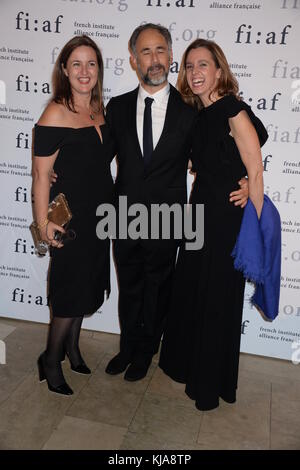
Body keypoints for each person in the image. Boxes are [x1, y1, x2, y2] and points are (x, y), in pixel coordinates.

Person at [104, 24, 248, 382]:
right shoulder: (117, 107)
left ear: (170, 56)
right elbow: (99, 157)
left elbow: (225, 151)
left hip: (169, 217)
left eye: (160, 51)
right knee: (130, 285)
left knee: (158, 287)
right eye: (145, 52)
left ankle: (146, 351)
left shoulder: (192, 111)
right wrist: (62, 170)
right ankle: (127, 346)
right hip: (123, 214)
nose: (153, 59)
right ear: (134, 59)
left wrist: (245, 180)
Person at [159, 38, 268, 410]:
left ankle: (210, 386)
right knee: (193, 291)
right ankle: (191, 368)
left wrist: (248, 193)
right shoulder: (197, 116)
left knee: (217, 297)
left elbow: (255, 165)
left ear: (219, 70)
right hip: (198, 213)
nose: (195, 72)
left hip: (225, 219)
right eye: (189, 66)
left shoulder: (232, 109)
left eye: (203, 65)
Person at [32, 35, 115, 395]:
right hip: (68, 219)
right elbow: (40, 175)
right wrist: (43, 223)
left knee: (88, 283)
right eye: (76, 64)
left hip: (100, 214)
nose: (84, 71)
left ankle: (72, 348)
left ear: (98, 69)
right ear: (64, 69)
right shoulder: (55, 111)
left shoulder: (100, 110)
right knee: (68, 290)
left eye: (91, 63)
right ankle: (50, 360)